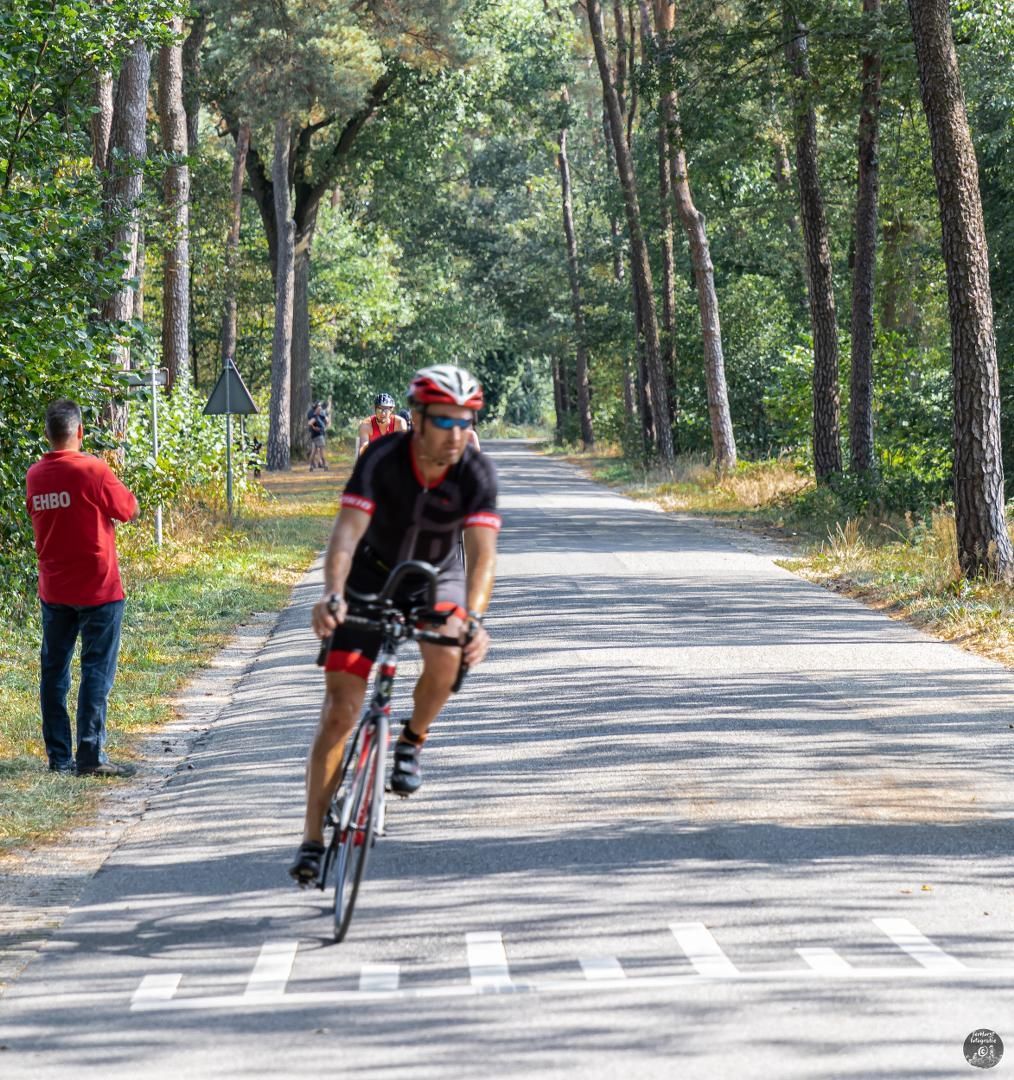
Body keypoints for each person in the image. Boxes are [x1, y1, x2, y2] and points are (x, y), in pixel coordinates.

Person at [290, 365, 500, 884]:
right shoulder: (382, 459)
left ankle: (411, 740)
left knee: (448, 652)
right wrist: (332, 594)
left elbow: (482, 554)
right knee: (340, 711)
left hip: (437, 576)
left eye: (465, 421)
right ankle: (314, 839)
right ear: (419, 418)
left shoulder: (475, 471)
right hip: (370, 574)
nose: (456, 433)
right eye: (445, 420)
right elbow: (344, 535)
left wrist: (474, 618)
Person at [25, 400, 139, 778]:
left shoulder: (35, 476)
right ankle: (90, 755)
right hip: (99, 589)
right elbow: (128, 510)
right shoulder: (93, 469)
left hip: (54, 589)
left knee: (54, 672)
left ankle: (59, 758)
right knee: (95, 672)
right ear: (80, 432)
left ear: (48, 434)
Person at [307, 402, 328, 470]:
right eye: (319, 409)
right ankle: (325, 465)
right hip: (318, 436)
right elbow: (309, 423)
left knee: (314, 451)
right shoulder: (315, 417)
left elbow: (326, 421)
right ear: (316, 410)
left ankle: (310, 466)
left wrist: (324, 427)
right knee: (322, 451)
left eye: (320, 410)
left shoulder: (320, 416)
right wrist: (314, 428)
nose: (320, 411)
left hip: (315, 436)